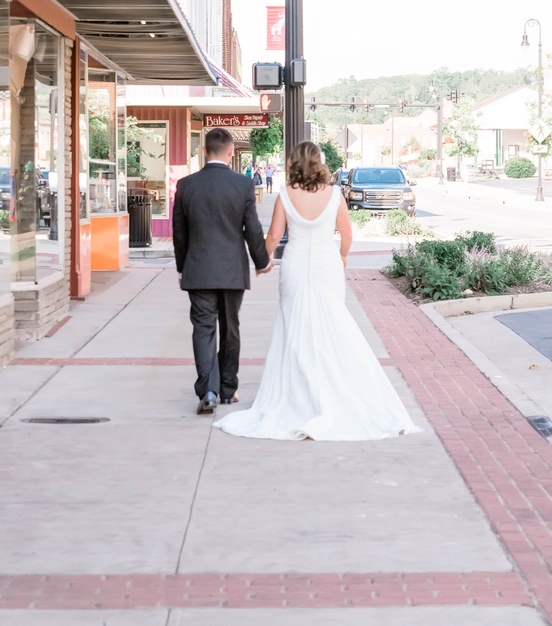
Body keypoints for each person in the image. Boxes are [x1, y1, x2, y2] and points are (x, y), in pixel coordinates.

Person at [214, 141, 421, 441]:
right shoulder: (335, 195)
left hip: (296, 265)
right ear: (319, 163)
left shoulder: (285, 195)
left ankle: (297, 396)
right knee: (332, 325)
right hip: (327, 265)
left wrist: (263, 261)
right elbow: (347, 235)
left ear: (294, 163)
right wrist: (344, 256)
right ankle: (335, 392)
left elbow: (273, 236)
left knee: (293, 328)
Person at [173, 128, 271, 414]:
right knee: (231, 328)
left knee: (203, 329)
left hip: (199, 269)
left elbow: (180, 234)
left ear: (204, 151)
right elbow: (252, 229)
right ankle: (228, 389)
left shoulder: (186, 185)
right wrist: (262, 261)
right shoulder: (242, 186)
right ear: (230, 153)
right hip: (231, 271)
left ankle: (209, 391)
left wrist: (182, 268)